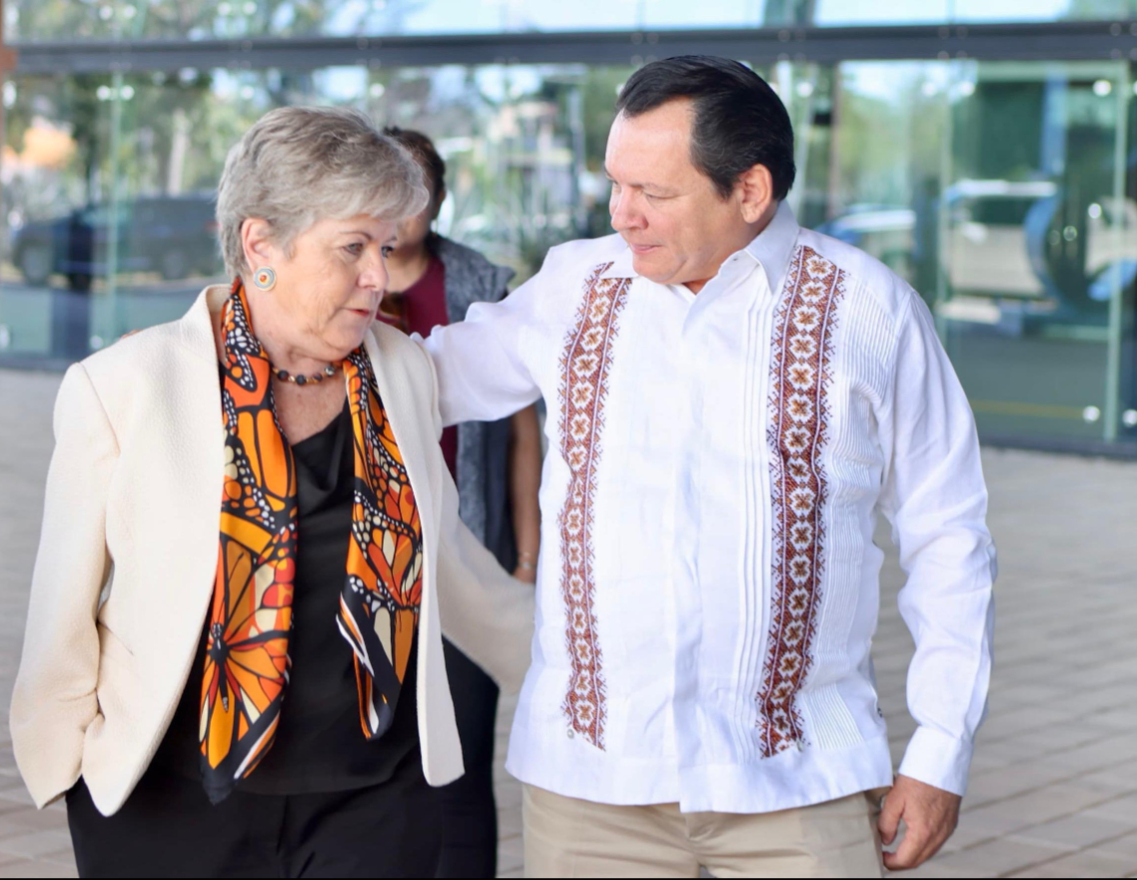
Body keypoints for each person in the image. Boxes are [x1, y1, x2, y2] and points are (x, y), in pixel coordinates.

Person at [422, 56, 997, 878]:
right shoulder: (573, 287)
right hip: (591, 791)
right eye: (616, 184)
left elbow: (950, 537)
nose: (622, 214)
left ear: (750, 192)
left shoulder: (872, 312)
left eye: (652, 193)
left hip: (799, 787)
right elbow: (426, 380)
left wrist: (939, 752)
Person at [9, 106, 534, 879]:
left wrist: (576, 669)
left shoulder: (403, 372)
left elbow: (450, 562)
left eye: (384, 249)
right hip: (172, 805)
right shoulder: (125, 386)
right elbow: (62, 606)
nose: (376, 278)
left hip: (373, 802)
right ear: (261, 246)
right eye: (351, 248)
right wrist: (68, 772)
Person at [381, 126, 543, 880]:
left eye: (417, 190)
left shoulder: (480, 282)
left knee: (462, 765)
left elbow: (521, 433)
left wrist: (526, 553)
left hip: (464, 550)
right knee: (381, 764)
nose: (402, 206)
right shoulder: (342, 278)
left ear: (439, 200)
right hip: (373, 558)